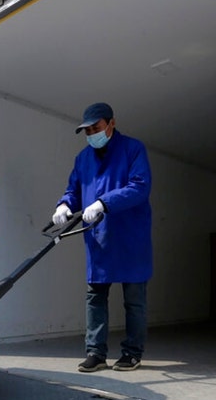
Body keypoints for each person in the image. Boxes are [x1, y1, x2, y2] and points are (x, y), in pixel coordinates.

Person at [51, 102, 153, 372]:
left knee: (134, 299)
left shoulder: (133, 149)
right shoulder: (83, 158)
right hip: (99, 237)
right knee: (95, 296)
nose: (91, 134)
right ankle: (95, 353)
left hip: (130, 235)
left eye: (96, 128)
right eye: (87, 131)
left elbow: (140, 187)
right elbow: (73, 189)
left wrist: (104, 203)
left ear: (111, 124)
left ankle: (132, 353)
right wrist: (64, 204)